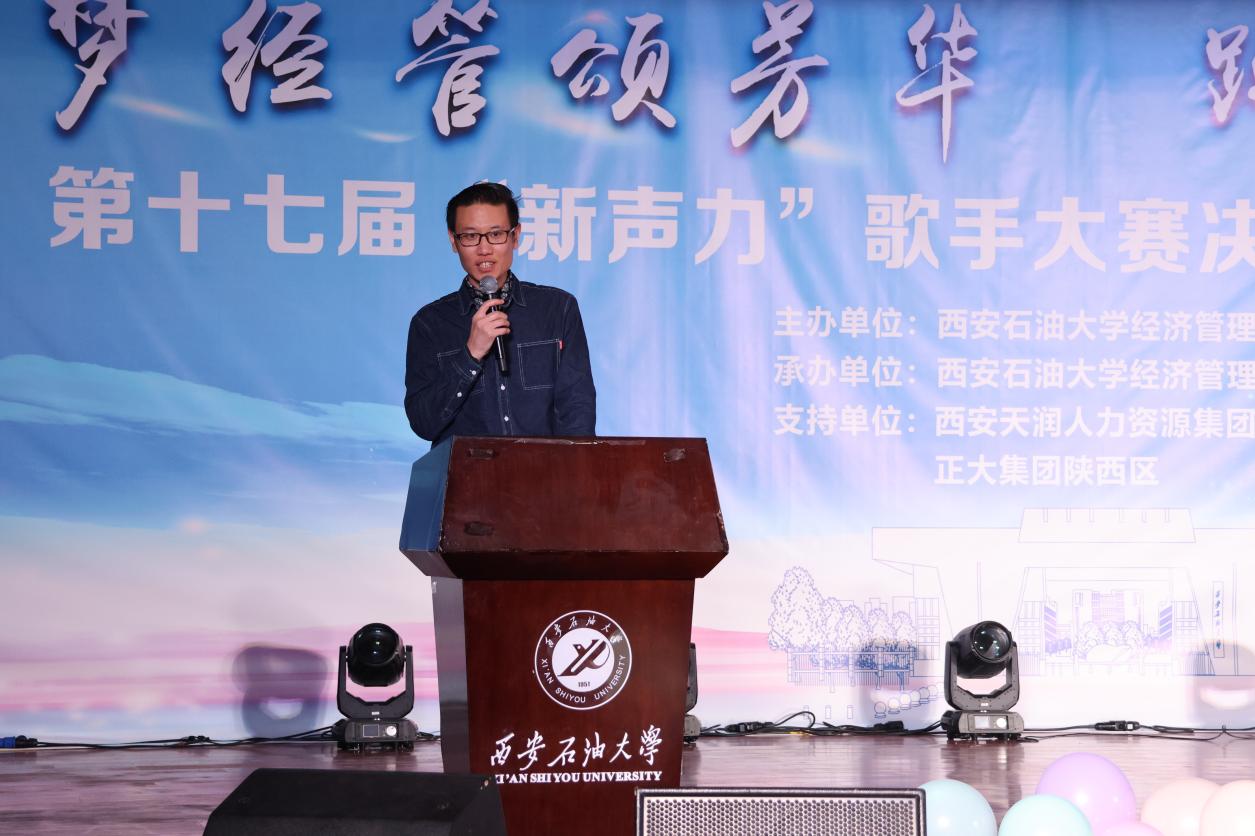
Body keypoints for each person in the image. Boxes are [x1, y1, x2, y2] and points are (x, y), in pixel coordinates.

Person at [404, 182, 596, 445]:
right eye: (470, 236)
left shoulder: (557, 309)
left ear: (515, 236)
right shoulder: (429, 324)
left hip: (544, 470)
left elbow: (578, 410)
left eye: (496, 234)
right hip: (467, 471)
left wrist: (572, 469)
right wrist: (470, 355)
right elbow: (423, 423)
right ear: (453, 241)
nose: (484, 249)